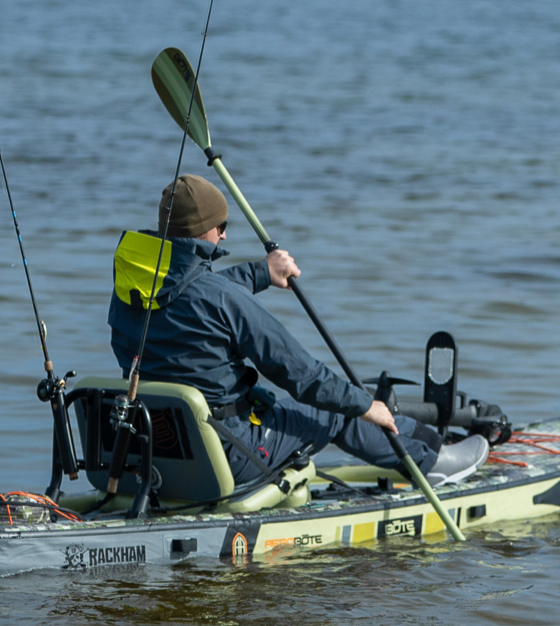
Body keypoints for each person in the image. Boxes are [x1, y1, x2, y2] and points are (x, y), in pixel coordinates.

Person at [108, 174, 488, 488]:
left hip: (154, 450)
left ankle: (423, 448)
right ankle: (434, 460)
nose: (224, 237)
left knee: (286, 402)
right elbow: (305, 378)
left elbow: (195, 292)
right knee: (336, 409)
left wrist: (260, 272)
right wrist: (366, 405)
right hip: (227, 457)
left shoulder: (129, 293)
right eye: (222, 227)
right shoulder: (223, 301)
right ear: (206, 230)